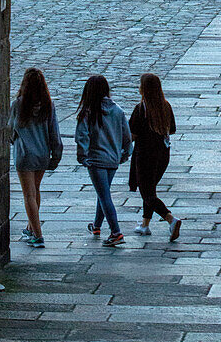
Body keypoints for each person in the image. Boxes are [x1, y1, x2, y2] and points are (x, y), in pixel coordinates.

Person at [8, 67, 63, 248]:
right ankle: (31, 228)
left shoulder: (18, 104)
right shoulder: (48, 105)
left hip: (24, 155)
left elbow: (10, 130)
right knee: (36, 190)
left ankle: (38, 235)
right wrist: (56, 156)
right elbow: (54, 133)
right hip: (41, 154)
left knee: (28, 194)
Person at [75, 75, 131, 246]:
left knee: (104, 195)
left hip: (96, 159)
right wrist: (125, 154)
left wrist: (82, 156)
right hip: (113, 159)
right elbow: (127, 136)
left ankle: (116, 232)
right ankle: (97, 226)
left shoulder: (88, 112)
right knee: (103, 192)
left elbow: (82, 136)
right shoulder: (118, 111)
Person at [129, 73, 182, 242]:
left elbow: (132, 134)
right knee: (150, 189)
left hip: (145, 155)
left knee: (147, 192)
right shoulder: (165, 106)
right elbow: (172, 129)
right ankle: (145, 225)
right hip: (163, 154)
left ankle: (170, 219)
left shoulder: (141, 109)